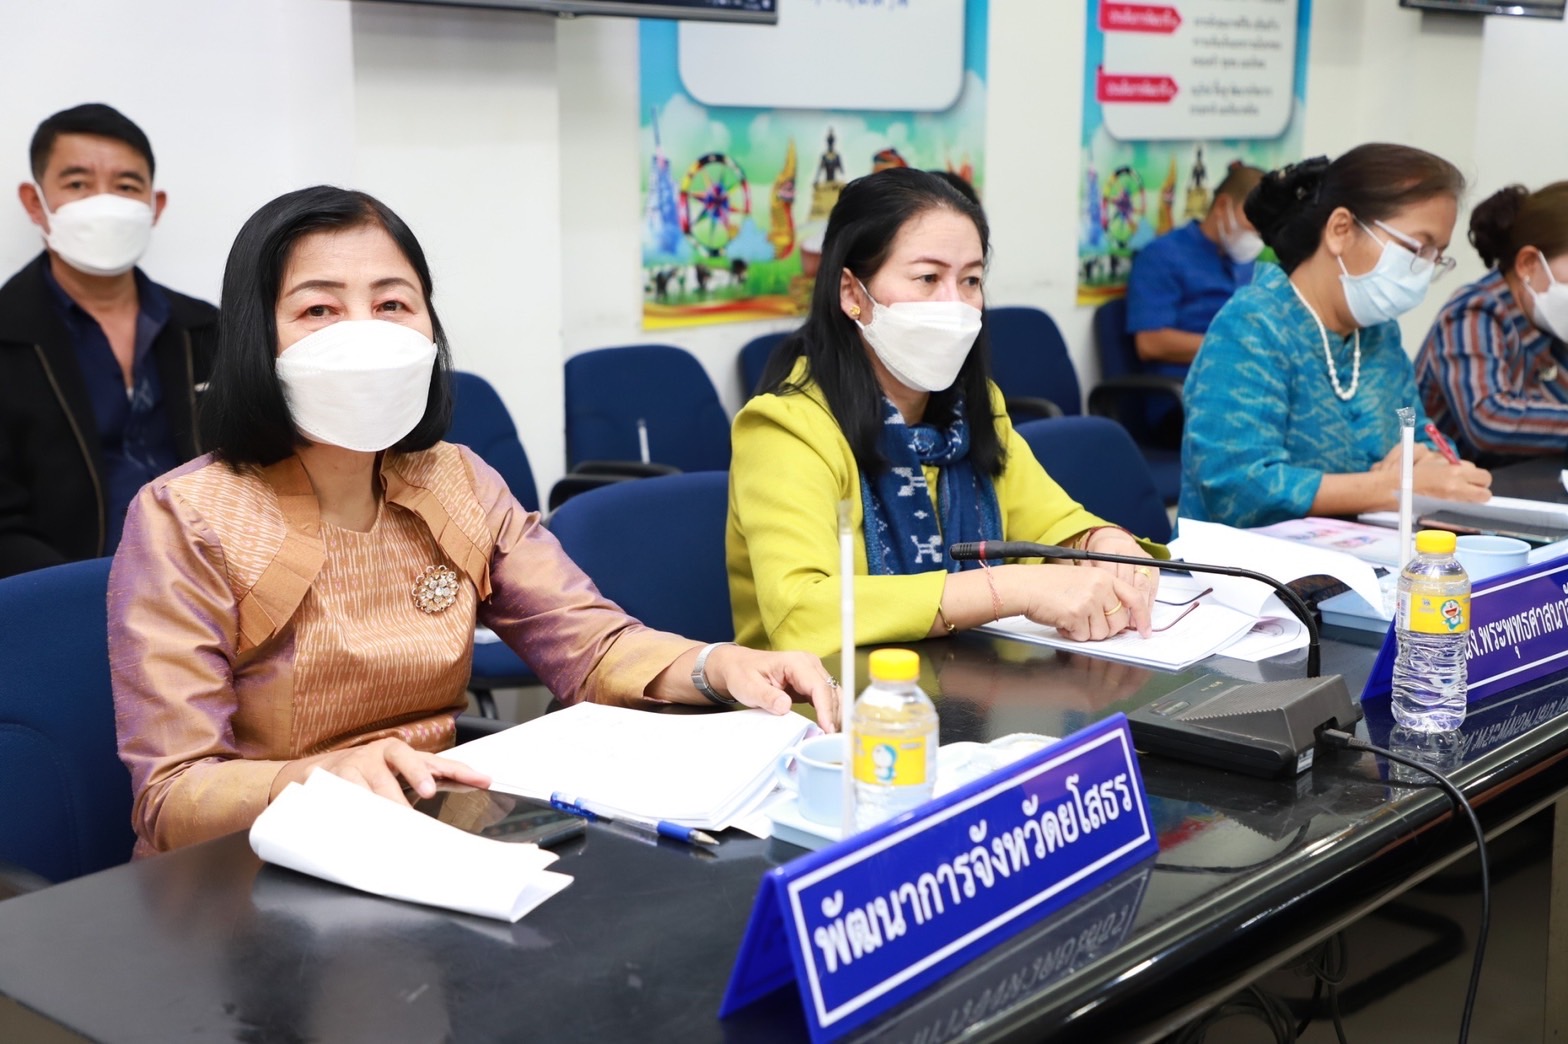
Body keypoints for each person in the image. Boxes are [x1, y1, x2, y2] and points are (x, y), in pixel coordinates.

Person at [109, 186, 839, 856]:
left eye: (393, 305)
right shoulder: (186, 517)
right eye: (318, 310)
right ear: (254, 342)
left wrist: (717, 666)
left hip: (439, 834)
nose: (364, 334)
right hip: (256, 867)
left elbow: (588, 644)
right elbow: (172, 795)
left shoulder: (454, 477)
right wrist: (317, 776)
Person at [727, 168, 1163, 658]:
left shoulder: (974, 411)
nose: (955, 305)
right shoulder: (784, 429)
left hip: (971, 689)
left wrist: (1104, 541)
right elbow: (802, 614)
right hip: (827, 710)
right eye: (928, 278)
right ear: (852, 293)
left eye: (971, 280)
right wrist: (1006, 590)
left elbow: (1055, 525)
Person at [1180, 145, 1493, 529]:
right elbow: (1237, 488)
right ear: (1340, 230)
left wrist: (1426, 457)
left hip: (1356, 560)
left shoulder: (1378, 333)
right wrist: (1392, 488)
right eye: (1416, 248)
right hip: (1240, 575)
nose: (1425, 271)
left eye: (1437, 256)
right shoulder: (1252, 326)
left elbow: (1417, 426)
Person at [0, 103, 216, 579]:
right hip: (59, 600)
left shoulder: (208, 329)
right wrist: (84, 598)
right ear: (36, 203)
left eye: (126, 186)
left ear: (154, 206)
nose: (105, 203)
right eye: (77, 184)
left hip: (209, 592)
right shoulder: (8, 336)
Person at [1416, 182, 1568, 466]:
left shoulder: (1550, 325)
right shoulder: (1475, 311)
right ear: (1528, 264)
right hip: (1442, 494)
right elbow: (1489, 419)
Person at [1125, 161, 1266, 378]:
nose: (1257, 234)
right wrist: (1231, 345)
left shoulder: (1246, 261)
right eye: (1253, 222)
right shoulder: (1162, 255)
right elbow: (1151, 343)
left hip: (1245, 377)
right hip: (1187, 389)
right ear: (1222, 206)